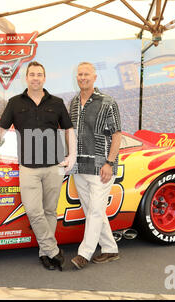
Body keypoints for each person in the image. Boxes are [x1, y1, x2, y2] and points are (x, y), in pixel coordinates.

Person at [0, 61, 76, 271]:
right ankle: (53, 250)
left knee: (50, 211)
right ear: (26, 78)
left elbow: (68, 130)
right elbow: (1, 130)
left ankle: (45, 254)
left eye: (39, 74)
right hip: (28, 168)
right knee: (34, 211)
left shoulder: (58, 102)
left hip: (54, 166)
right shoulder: (15, 103)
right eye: (32, 74)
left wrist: (72, 154)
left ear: (44, 78)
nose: (36, 78)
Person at [69, 62, 122, 270]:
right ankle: (110, 248)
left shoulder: (108, 102)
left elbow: (117, 135)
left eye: (87, 74)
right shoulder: (73, 102)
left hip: (101, 167)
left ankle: (85, 253)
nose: (83, 77)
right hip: (79, 167)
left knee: (95, 212)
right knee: (93, 209)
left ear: (94, 77)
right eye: (80, 74)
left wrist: (109, 162)